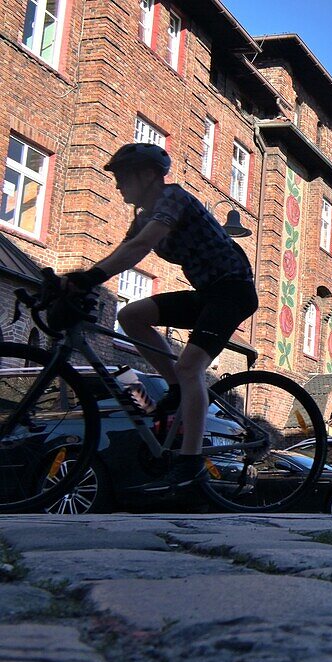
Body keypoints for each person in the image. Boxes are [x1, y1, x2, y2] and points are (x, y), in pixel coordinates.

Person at [62, 143, 258, 491]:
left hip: (233, 292)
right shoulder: (143, 217)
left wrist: (87, 279)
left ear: (149, 175)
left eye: (123, 177)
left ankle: (191, 462)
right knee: (131, 315)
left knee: (189, 366)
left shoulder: (173, 199)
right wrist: (74, 283)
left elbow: (140, 247)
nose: (118, 184)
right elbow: (123, 252)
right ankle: (177, 388)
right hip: (208, 294)